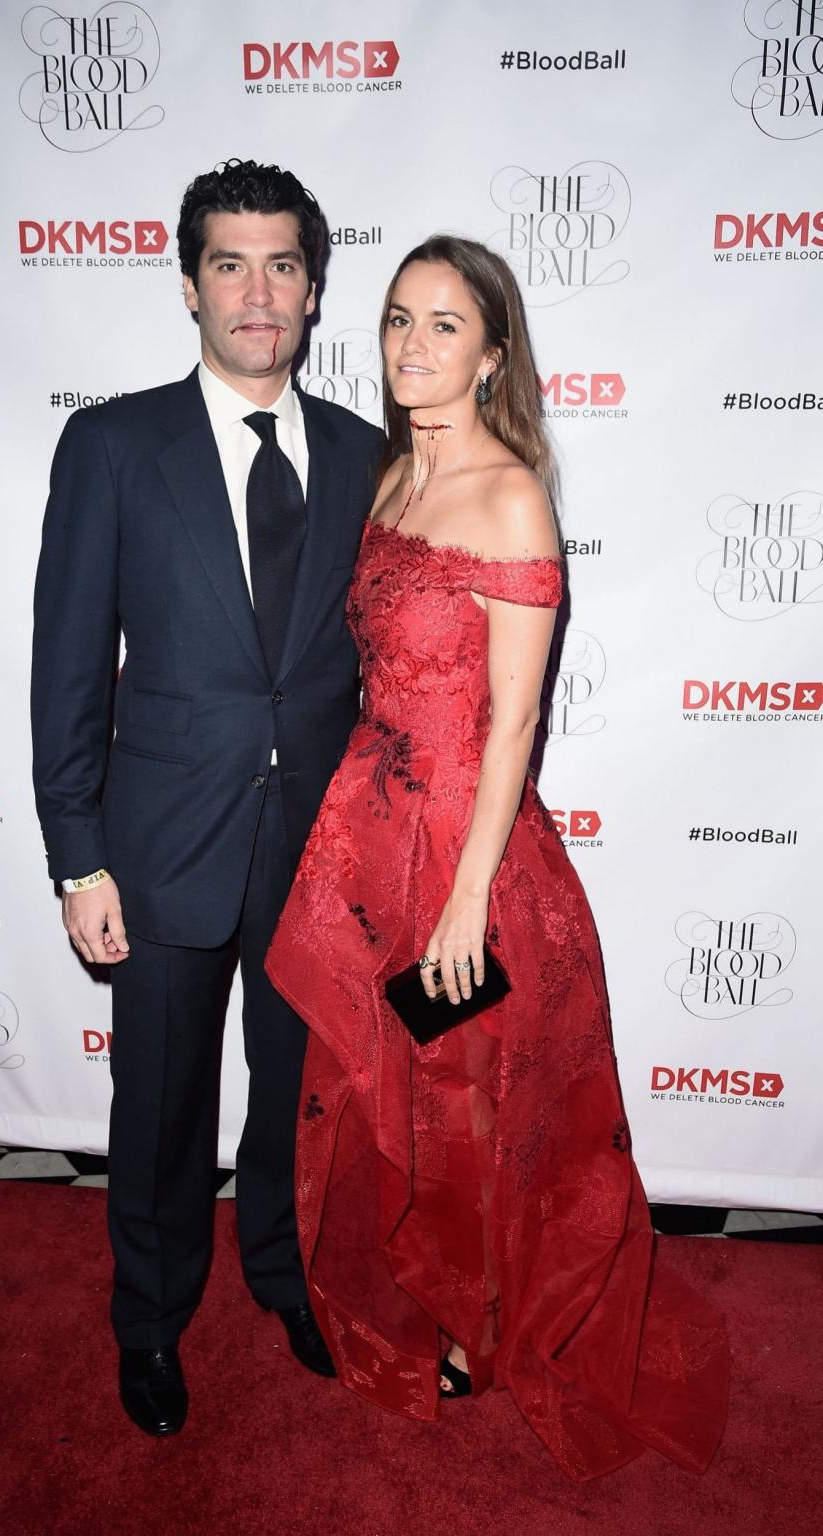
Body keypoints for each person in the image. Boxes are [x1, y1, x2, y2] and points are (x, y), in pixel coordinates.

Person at [265, 235, 729, 1479]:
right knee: (393, 1091)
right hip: (371, 841)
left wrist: (467, 900)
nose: (412, 346)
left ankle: (481, 1321)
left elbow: (515, 720)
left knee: (474, 1098)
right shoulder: (387, 479)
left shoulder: (511, 493)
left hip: (468, 853)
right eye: (399, 320)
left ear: (492, 355)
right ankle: (424, 1290)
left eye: (444, 327)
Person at [31, 159, 384, 1436]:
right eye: (228, 264)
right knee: (161, 1104)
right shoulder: (114, 446)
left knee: (296, 1093)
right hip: (162, 851)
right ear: (188, 285)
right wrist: (79, 862)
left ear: (312, 289)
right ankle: (152, 1322)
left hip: (314, 857)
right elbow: (67, 664)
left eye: (282, 264)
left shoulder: (365, 457)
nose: (256, 291)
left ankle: (286, 1278)